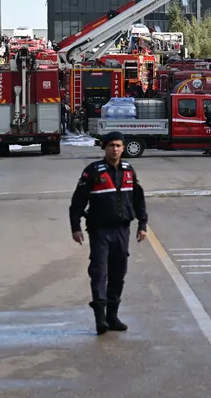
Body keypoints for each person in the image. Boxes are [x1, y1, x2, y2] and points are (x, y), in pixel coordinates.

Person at [69, 131, 148, 334]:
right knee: (99, 272)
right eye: (111, 145)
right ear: (104, 147)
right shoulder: (93, 171)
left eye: (119, 145)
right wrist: (75, 227)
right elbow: (77, 202)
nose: (115, 149)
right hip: (100, 231)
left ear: (123, 148)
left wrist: (142, 224)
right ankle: (100, 318)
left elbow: (139, 200)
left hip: (122, 230)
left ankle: (113, 316)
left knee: (118, 273)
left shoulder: (129, 171)